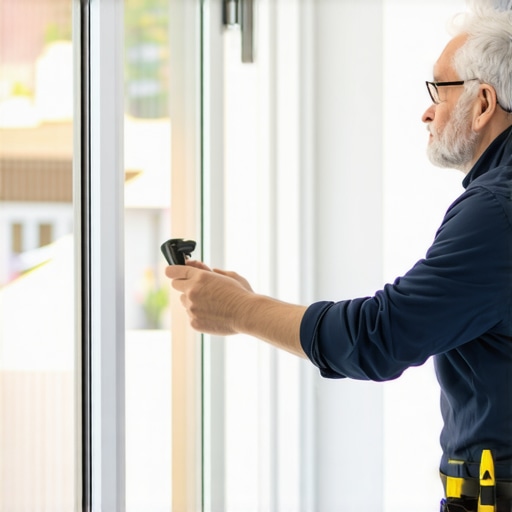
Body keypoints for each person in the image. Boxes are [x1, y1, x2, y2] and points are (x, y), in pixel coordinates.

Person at [165, 5, 512, 512]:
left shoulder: (497, 211)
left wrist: (240, 309)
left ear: (483, 102)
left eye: (440, 89)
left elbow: (378, 336)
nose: (428, 111)